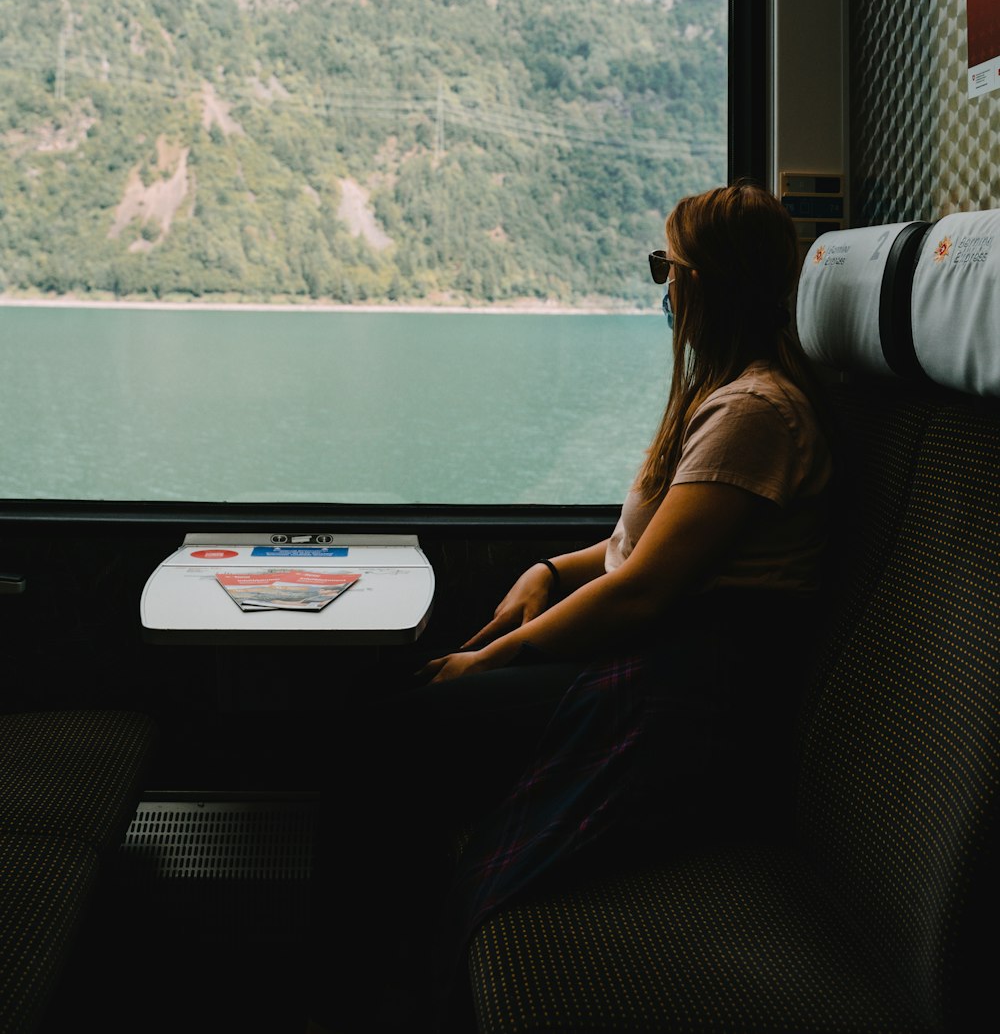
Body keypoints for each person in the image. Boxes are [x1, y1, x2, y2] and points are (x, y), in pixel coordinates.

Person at [306, 179, 832, 1034]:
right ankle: (375, 986)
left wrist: (493, 658)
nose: (662, 285)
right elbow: (637, 547)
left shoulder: (754, 413)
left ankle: (366, 1004)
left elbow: (645, 590)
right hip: (656, 653)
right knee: (381, 705)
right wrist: (552, 567)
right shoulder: (725, 400)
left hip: (688, 685)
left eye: (668, 266)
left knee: (383, 739)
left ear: (703, 285)